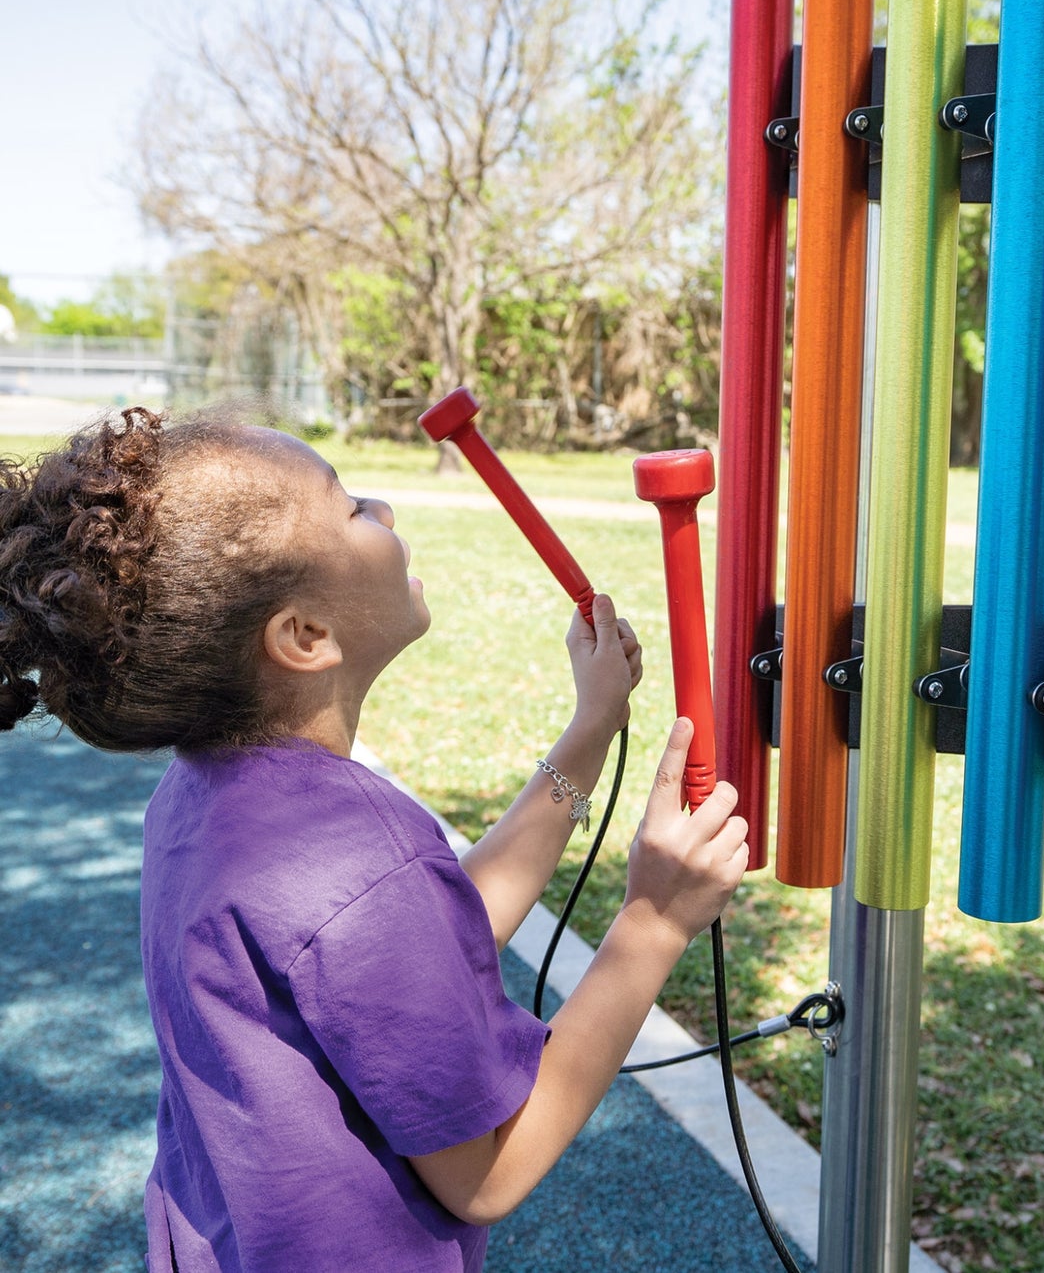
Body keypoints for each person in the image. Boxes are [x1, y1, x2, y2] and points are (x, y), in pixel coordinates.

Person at [0, 406, 749, 1271]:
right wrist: (653, 921)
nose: (385, 510)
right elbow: (488, 1171)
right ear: (305, 637)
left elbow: (411, 949)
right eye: (352, 508)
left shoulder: (202, 796)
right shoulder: (356, 861)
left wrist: (590, 730)